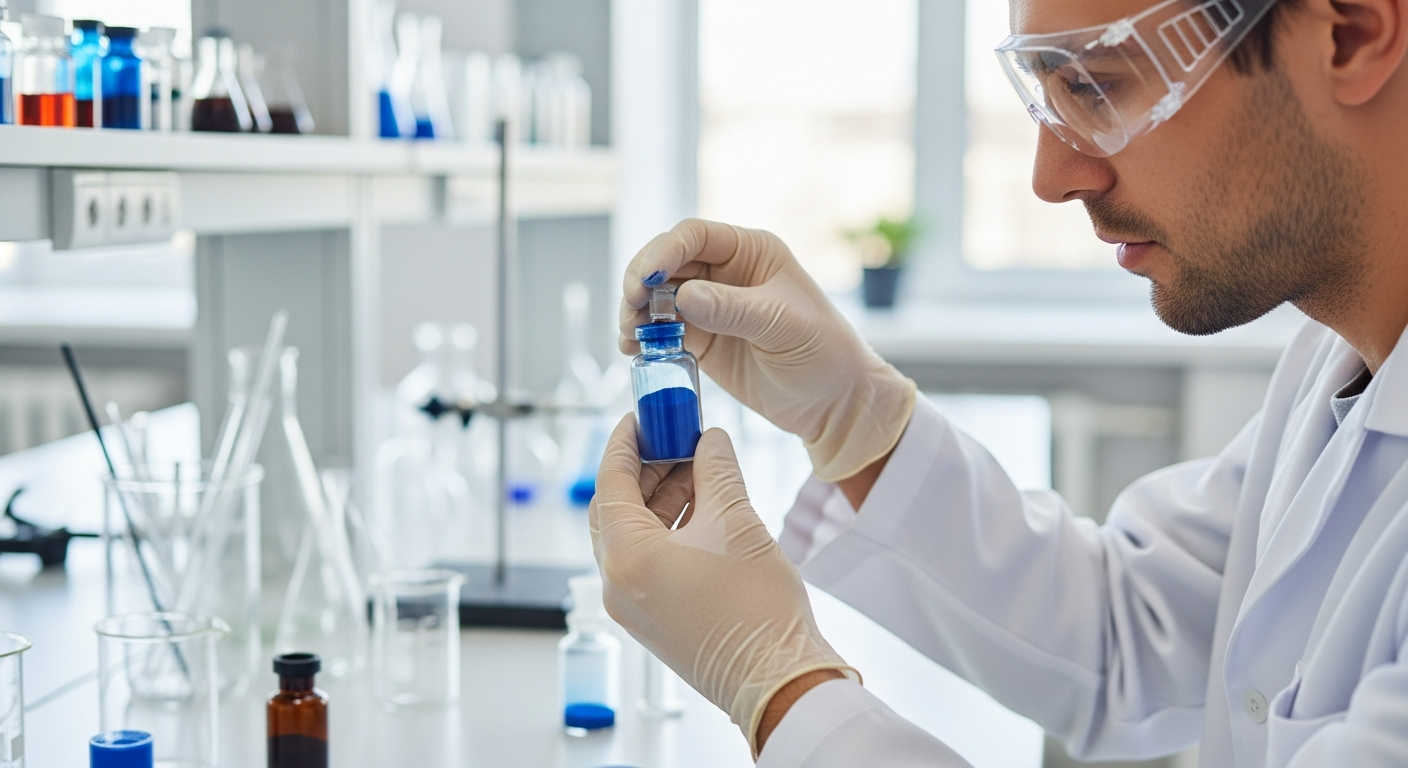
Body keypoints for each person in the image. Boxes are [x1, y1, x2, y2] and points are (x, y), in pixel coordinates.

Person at [589, 0, 1408, 763]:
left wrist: (781, 688)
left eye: (1097, 85)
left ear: (1351, 33)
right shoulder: (1333, 362)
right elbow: (1130, 630)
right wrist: (854, 415)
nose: (1051, 177)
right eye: (1047, 96)